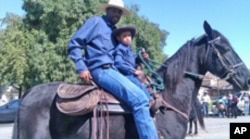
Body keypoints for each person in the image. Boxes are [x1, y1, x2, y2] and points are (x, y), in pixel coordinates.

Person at [67, 0, 158, 138]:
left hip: (114, 72)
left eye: (119, 12)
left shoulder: (115, 33)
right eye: (114, 10)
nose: (117, 14)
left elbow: (123, 59)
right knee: (139, 100)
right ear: (107, 10)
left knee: (147, 95)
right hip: (101, 70)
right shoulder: (96, 22)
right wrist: (82, 67)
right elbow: (74, 43)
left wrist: (140, 59)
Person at [112, 25, 162, 111]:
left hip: (130, 73)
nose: (128, 38)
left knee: (146, 82)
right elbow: (118, 63)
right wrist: (133, 71)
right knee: (137, 84)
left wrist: (142, 58)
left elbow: (133, 60)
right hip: (125, 75)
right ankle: (150, 101)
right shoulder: (119, 49)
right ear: (118, 38)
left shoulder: (129, 49)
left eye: (129, 36)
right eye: (124, 36)